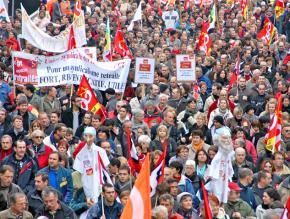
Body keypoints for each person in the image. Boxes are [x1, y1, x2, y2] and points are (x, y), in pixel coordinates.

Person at [73, 127, 110, 202]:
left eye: (90, 136)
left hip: (98, 181)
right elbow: (78, 169)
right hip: (86, 181)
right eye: (86, 136)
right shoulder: (81, 153)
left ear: (94, 137)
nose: (88, 138)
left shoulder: (100, 151)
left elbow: (105, 168)